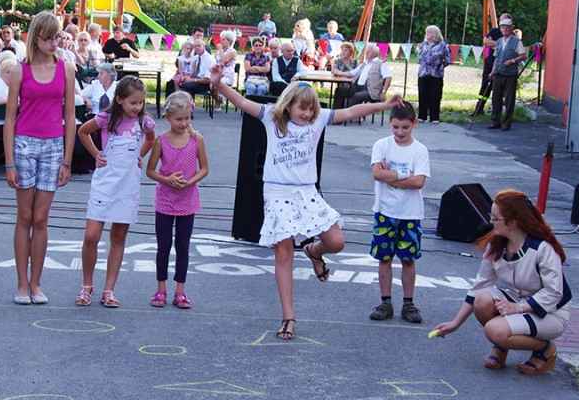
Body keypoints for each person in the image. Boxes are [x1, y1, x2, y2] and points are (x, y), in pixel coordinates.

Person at [210, 65, 403, 339]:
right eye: (302, 109)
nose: (308, 114)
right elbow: (241, 102)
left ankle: (314, 251)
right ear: (288, 106)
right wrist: (218, 83)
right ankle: (288, 317)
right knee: (283, 254)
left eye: (311, 109)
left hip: (307, 193)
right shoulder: (271, 118)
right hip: (278, 194)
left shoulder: (318, 120)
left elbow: (351, 112)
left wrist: (383, 104)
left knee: (336, 242)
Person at [433, 190, 571, 376]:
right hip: (520, 299)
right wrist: (455, 323)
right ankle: (502, 344)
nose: (490, 222)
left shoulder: (542, 248)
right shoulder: (497, 244)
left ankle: (544, 349)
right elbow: (480, 285)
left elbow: (554, 293)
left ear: (512, 223)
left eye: (495, 218)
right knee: (482, 300)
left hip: (551, 312)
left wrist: (518, 308)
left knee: (494, 329)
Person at [4, 11, 76, 305]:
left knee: (41, 217)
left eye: (57, 36)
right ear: (36, 38)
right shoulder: (19, 70)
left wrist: (67, 160)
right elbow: (10, 118)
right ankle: (22, 284)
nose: (54, 42)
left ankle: (36, 283)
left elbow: (70, 117)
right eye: (48, 37)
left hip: (53, 145)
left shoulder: (66, 69)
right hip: (24, 144)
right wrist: (9, 162)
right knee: (24, 216)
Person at [76, 76, 156, 308]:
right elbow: (83, 131)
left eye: (141, 102)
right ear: (119, 100)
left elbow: (151, 139)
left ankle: (109, 289)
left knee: (118, 237)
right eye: (133, 102)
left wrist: (140, 155)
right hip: (104, 183)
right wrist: (96, 154)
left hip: (127, 186)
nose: (137, 107)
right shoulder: (106, 118)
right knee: (91, 235)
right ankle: (86, 286)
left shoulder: (145, 122)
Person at [367, 101, 430, 323]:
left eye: (405, 127)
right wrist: (405, 175)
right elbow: (377, 174)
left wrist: (391, 176)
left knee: (408, 259)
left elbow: (419, 182)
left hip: (410, 214)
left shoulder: (420, 150)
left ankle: (408, 303)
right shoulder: (381, 145)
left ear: (414, 124)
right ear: (389, 123)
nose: (400, 132)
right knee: (384, 257)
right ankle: (385, 301)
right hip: (385, 211)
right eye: (395, 127)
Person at [145, 91, 209, 309]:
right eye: (179, 119)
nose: (184, 123)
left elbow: (204, 168)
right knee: (163, 245)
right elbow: (150, 170)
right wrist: (167, 179)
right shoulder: (161, 141)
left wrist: (190, 181)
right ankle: (160, 288)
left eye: (187, 118)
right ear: (167, 118)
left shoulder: (197, 140)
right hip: (165, 200)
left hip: (187, 201)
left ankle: (180, 290)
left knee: (183, 245)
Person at [488, 17, 526, 131]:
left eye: (507, 27)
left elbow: (523, 55)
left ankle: (507, 123)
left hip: (510, 74)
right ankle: (495, 121)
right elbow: (496, 58)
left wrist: (512, 61)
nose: (505, 29)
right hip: (498, 73)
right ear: (500, 29)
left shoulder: (517, 42)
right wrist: (492, 71)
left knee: (509, 100)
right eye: (503, 27)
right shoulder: (499, 41)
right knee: (496, 98)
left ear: (511, 28)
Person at [417, 25, 451, 123]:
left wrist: (439, 67)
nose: (427, 34)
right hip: (423, 73)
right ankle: (422, 116)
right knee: (423, 94)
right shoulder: (423, 45)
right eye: (427, 32)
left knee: (435, 95)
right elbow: (419, 58)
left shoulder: (443, 45)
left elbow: (447, 59)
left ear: (435, 34)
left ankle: (434, 117)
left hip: (436, 74)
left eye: (429, 32)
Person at [475, 14, 507, 115]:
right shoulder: (495, 31)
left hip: (501, 65)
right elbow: (486, 41)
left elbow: (508, 46)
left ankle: (496, 112)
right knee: (485, 85)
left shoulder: (511, 36)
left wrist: (494, 44)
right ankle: (479, 109)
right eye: (501, 21)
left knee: (498, 89)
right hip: (490, 62)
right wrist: (500, 44)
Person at [213, 30, 237, 111]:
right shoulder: (218, 52)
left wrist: (220, 50)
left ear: (229, 41)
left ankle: (219, 103)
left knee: (219, 83)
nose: (221, 42)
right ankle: (219, 100)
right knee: (211, 84)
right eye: (221, 39)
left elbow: (224, 62)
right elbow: (214, 62)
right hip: (218, 74)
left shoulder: (232, 51)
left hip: (227, 75)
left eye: (223, 40)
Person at [330, 42, 358, 108]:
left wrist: (341, 73)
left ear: (351, 52)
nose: (343, 52)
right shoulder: (338, 61)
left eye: (345, 50)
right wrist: (348, 74)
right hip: (342, 84)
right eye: (342, 50)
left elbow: (357, 73)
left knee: (340, 91)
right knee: (339, 90)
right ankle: (337, 111)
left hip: (352, 85)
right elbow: (334, 70)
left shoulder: (355, 62)